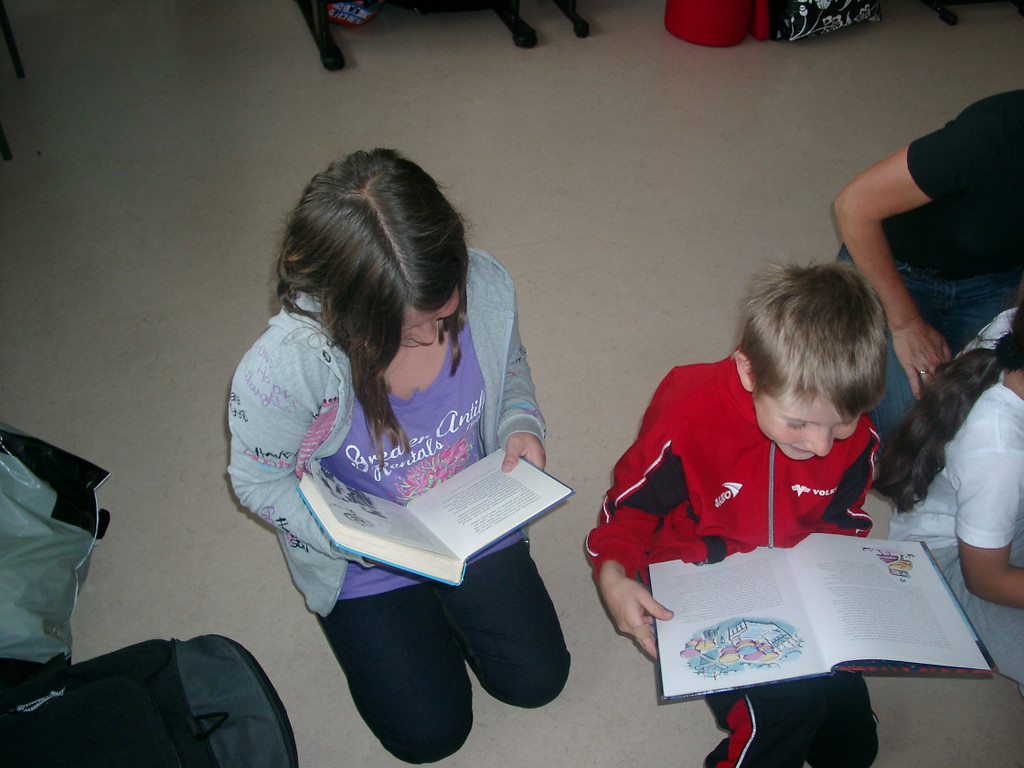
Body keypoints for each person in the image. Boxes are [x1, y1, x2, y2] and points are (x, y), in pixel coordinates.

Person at [227, 149, 569, 764]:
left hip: (470, 520)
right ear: (347, 314)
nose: (433, 337)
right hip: (365, 558)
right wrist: (350, 540)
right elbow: (259, 482)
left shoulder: (485, 285)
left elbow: (512, 369)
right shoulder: (285, 366)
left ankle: (447, 614)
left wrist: (520, 423)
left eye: (443, 315)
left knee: (539, 681)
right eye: (405, 332)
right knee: (429, 737)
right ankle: (414, 621)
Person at [586, 262, 888, 768]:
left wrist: (845, 584)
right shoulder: (688, 412)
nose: (820, 445)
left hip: (797, 583)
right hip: (700, 579)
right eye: (799, 423)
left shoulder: (855, 434)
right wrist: (614, 573)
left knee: (852, 750)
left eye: (840, 424)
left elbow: (843, 519)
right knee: (784, 713)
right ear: (749, 371)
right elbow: (632, 507)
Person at [833, 89, 1024, 443]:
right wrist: (905, 325)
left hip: (997, 281)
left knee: (982, 423)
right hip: (898, 269)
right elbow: (853, 207)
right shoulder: (998, 130)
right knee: (911, 434)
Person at [874, 290, 1024, 696]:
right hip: (949, 563)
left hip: (988, 512)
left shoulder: (1013, 328)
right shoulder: (998, 452)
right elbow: (987, 580)